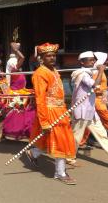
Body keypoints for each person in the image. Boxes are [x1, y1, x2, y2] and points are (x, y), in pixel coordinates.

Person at [25, 43, 76, 185]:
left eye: (53, 55)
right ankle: (60, 173)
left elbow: (60, 94)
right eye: (48, 56)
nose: (52, 58)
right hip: (49, 111)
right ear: (41, 58)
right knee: (60, 142)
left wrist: (65, 112)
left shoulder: (54, 71)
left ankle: (33, 153)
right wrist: (44, 121)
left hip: (60, 111)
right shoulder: (40, 74)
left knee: (53, 139)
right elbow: (40, 99)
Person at [68, 51, 108, 169]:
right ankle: (69, 157)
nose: (93, 62)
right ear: (82, 62)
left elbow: (97, 88)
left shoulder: (89, 73)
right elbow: (95, 85)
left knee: (103, 136)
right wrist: (101, 70)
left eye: (93, 60)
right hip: (82, 111)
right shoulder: (82, 74)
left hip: (91, 111)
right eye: (90, 60)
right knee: (76, 137)